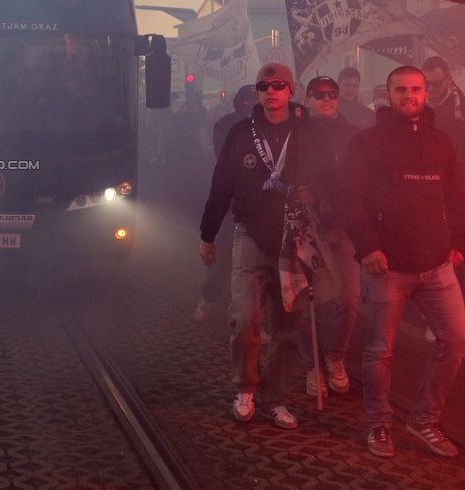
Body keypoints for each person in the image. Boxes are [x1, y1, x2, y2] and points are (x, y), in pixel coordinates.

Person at [339, 65, 465, 458]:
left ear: (426, 94)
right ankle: (378, 424)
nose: (409, 95)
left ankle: (424, 419)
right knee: (381, 350)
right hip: (388, 266)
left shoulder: (442, 141)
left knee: (456, 339)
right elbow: (349, 197)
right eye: (401, 89)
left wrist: (459, 240)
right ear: (387, 94)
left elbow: (456, 195)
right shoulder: (367, 141)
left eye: (416, 89)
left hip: (437, 265)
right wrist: (367, 248)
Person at [199, 63, 310, 430]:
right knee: (245, 317)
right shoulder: (240, 132)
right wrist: (208, 234)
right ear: (258, 92)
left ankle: (275, 399)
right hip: (250, 233)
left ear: (290, 90)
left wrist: (317, 198)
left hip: (294, 239)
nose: (271, 91)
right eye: (264, 85)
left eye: (278, 85)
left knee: (288, 327)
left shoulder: (308, 131)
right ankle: (246, 388)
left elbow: (326, 176)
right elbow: (220, 186)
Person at [297, 76, 361, 399]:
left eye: (332, 94)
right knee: (309, 302)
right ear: (307, 99)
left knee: (350, 299)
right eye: (319, 95)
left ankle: (335, 356)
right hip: (307, 228)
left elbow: (362, 179)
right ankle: (312, 365)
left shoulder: (353, 134)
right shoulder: (296, 134)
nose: (327, 99)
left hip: (342, 228)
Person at [195, 84, 257, 321]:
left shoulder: (267, 125)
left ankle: (254, 316)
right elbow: (226, 161)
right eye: (251, 101)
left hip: (262, 202)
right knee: (224, 253)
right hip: (235, 200)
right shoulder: (225, 126)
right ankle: (209, 297)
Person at [422, 56, 465, 162]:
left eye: (436, 83)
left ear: (449, 80)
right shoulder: (413, 108)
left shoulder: (462, 109)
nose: (431, 89)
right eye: (426, 84)